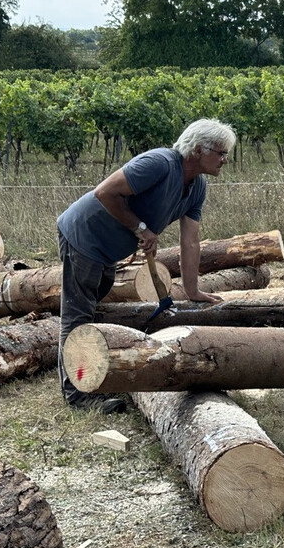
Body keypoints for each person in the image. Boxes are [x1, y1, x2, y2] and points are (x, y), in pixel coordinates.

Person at [56, 118, 236, 413]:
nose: (225, 160)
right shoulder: (158, 164)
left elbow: (190, 241)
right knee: (77, 314)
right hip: (84, 236)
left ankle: (94, 369)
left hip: (106, 250)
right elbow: (104, 192)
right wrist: (140, 227)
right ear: (199, 150)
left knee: (91, 304)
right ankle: (77, 394)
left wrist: (193, 290)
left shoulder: (196, 187)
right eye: (221, 152)